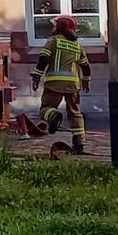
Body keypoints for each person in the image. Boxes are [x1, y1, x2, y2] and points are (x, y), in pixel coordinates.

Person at [32, 15, 92, 155]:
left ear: (59, 27)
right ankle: (79, 143)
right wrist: (86, 80)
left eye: (55, 25)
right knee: (75, 114)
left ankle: (54, 116)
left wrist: (37, 76)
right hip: (73, 86)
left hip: (54, 83)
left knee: (45, 109)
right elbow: (86, 66)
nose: (53, 27)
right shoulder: (77, 46)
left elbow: (43, 59)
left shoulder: (53, 41)